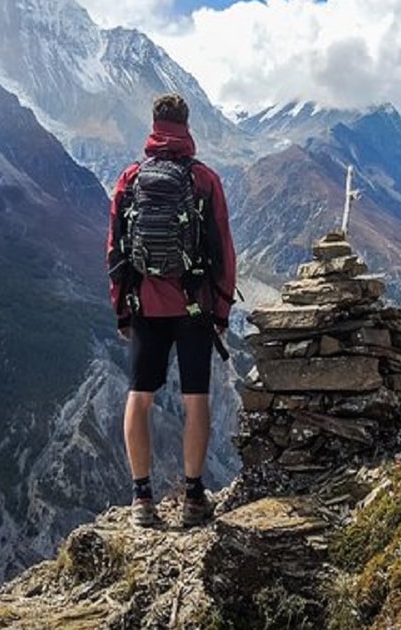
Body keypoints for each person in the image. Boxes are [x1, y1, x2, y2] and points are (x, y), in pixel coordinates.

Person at [106, 93, 236, 528]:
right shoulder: (204, 180)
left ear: (154, 125)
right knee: (196, 398)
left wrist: (122, 308)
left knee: (139, 397)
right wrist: (221, 310)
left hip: (145, 303)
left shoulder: (130, 178)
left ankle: (142, 499)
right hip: (194, 304)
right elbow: (223, 251)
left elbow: (116, 250)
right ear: (187, 125)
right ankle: (193, 497)